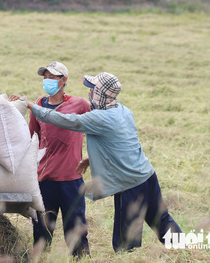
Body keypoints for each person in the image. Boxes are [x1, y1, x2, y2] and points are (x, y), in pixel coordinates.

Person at [19, 72, 182, 252]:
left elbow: (65, 120)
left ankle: (128, 258)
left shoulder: (99, 118)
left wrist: (32, 106)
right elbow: (123, 144)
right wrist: (91, 159)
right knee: (160, 218)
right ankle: (185, 250)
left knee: (125, 241)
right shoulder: (123, 110)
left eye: (93, 89)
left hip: (130, 184)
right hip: (147, 175)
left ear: (100, 94)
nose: (90, 93)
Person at [10, 61, 90, 256]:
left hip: (71, 178)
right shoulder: (38, 105)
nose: (47, 81)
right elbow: (31, 138)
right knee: (42, 230)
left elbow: (99, 128)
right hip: (45, 179)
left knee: (76, 227)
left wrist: (91, 156)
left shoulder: (80, 105)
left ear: (63, 80)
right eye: (45, 77)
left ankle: (81, 259)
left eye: (52, 77)